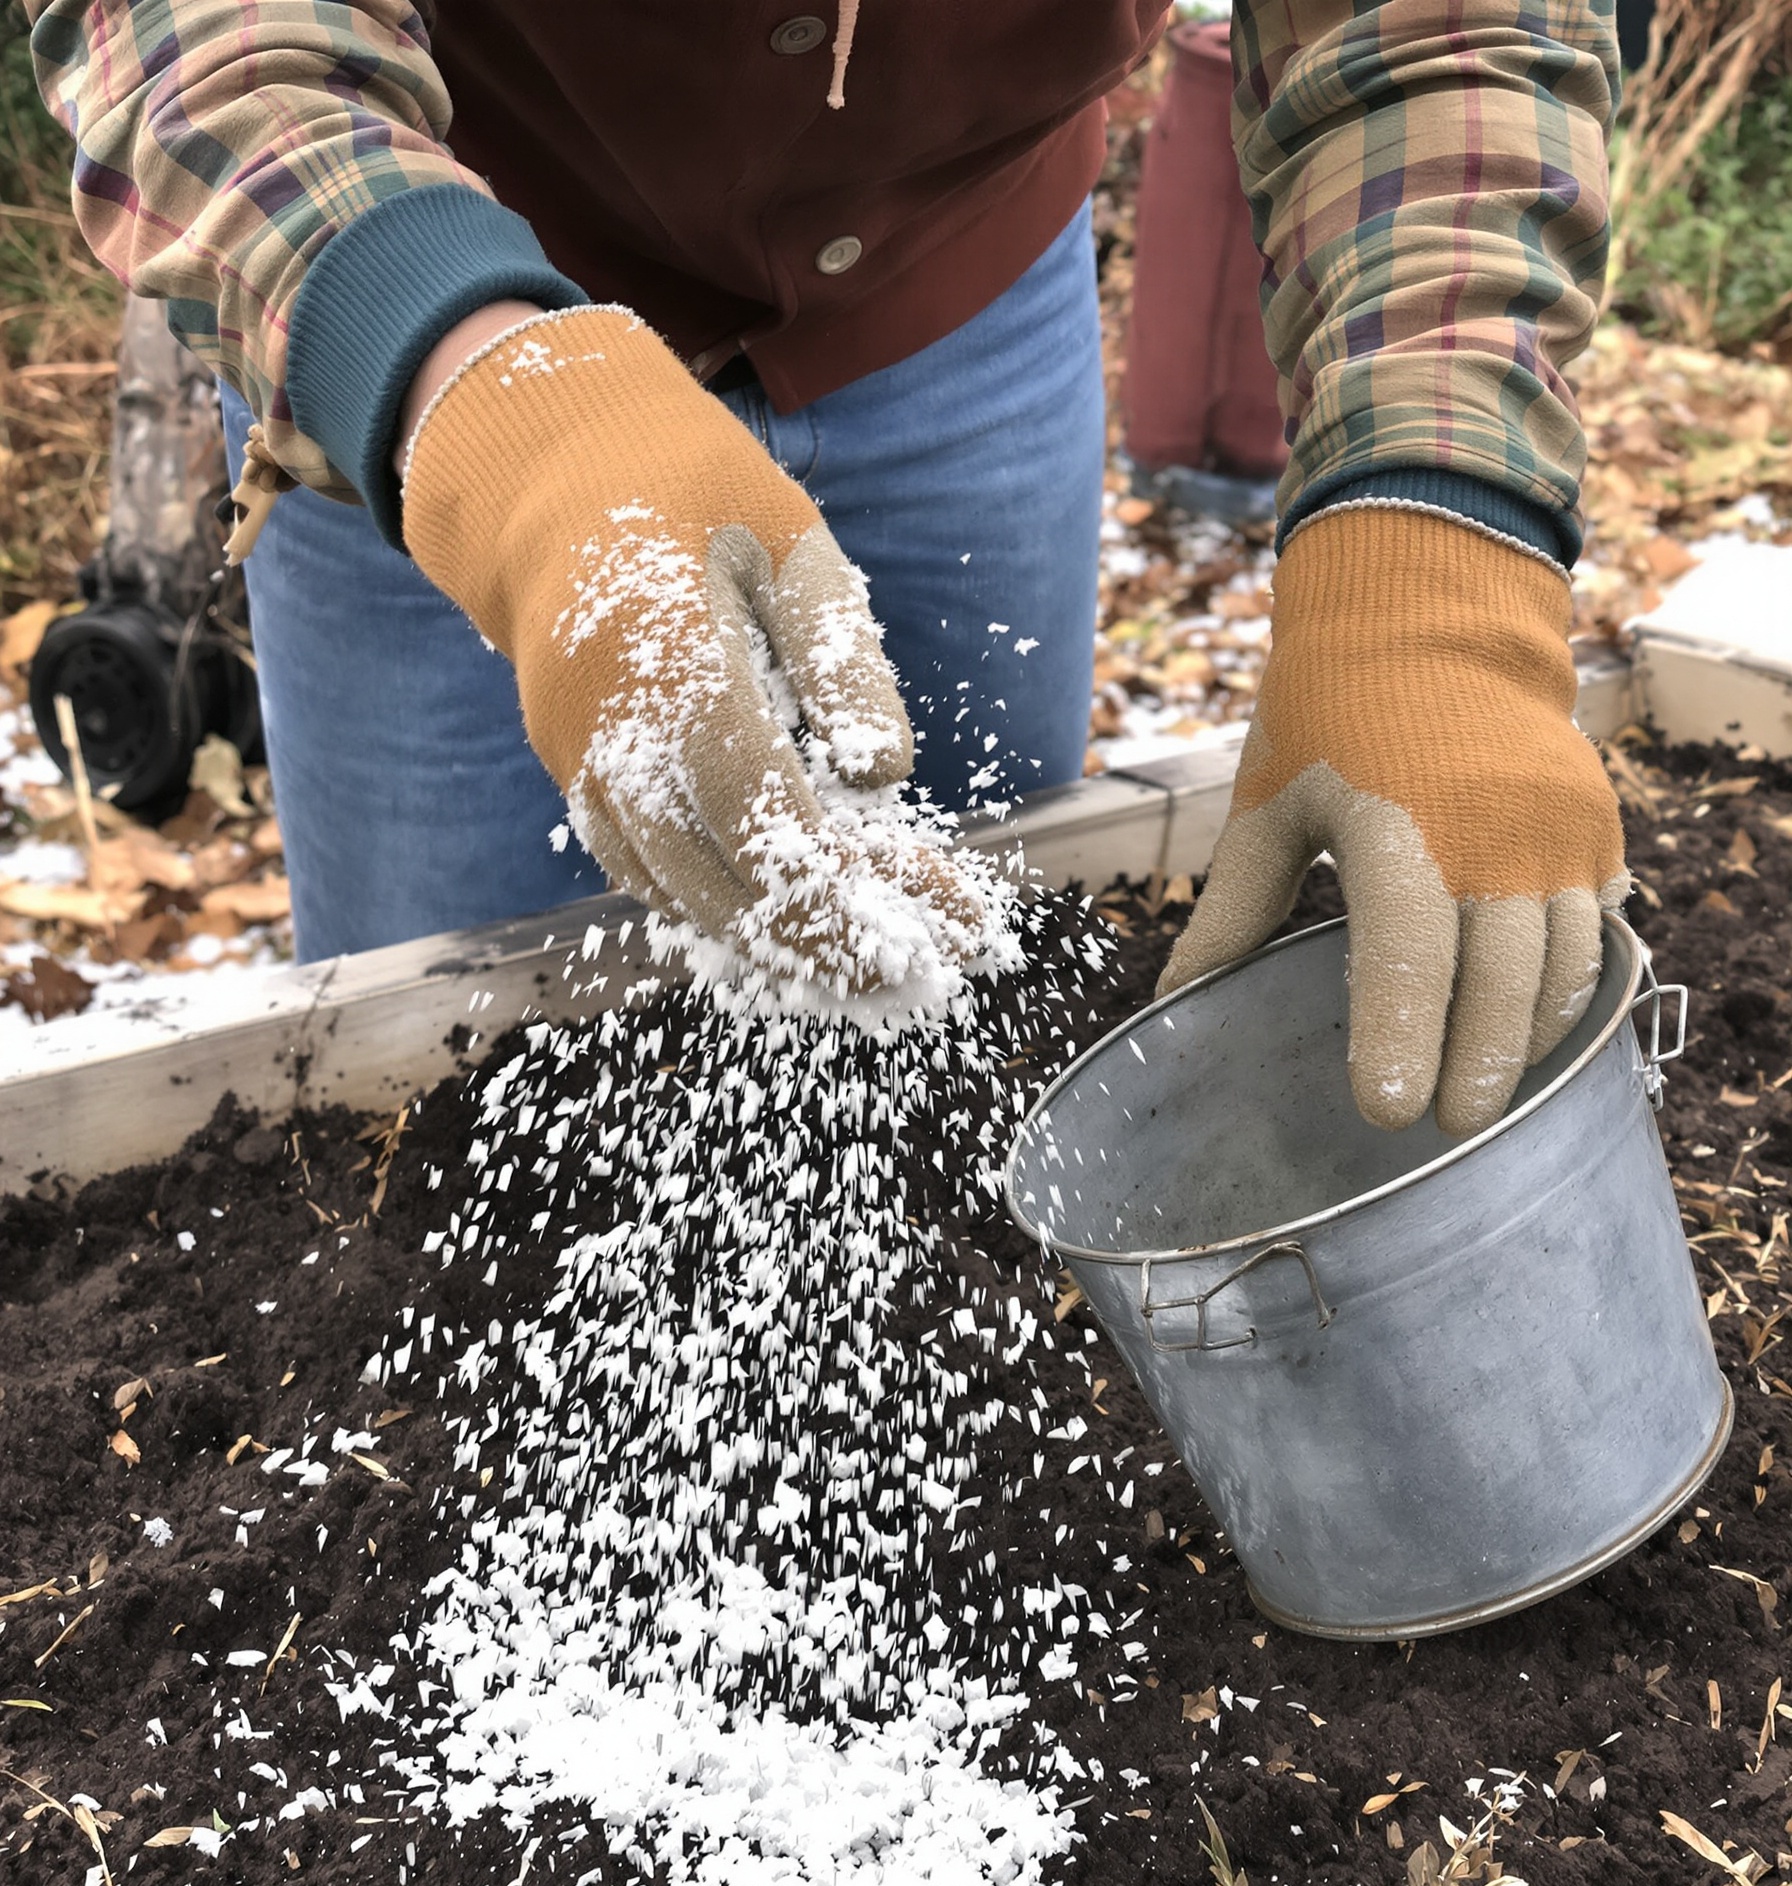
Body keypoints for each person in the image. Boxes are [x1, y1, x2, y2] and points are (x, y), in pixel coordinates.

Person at [29, 0, 1627, 1135]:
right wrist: (469, 382)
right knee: (460, 1099)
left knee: (956, 1030)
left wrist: (1439, 536)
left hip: (958, 274)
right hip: (446, 311)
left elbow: (1443, 21)